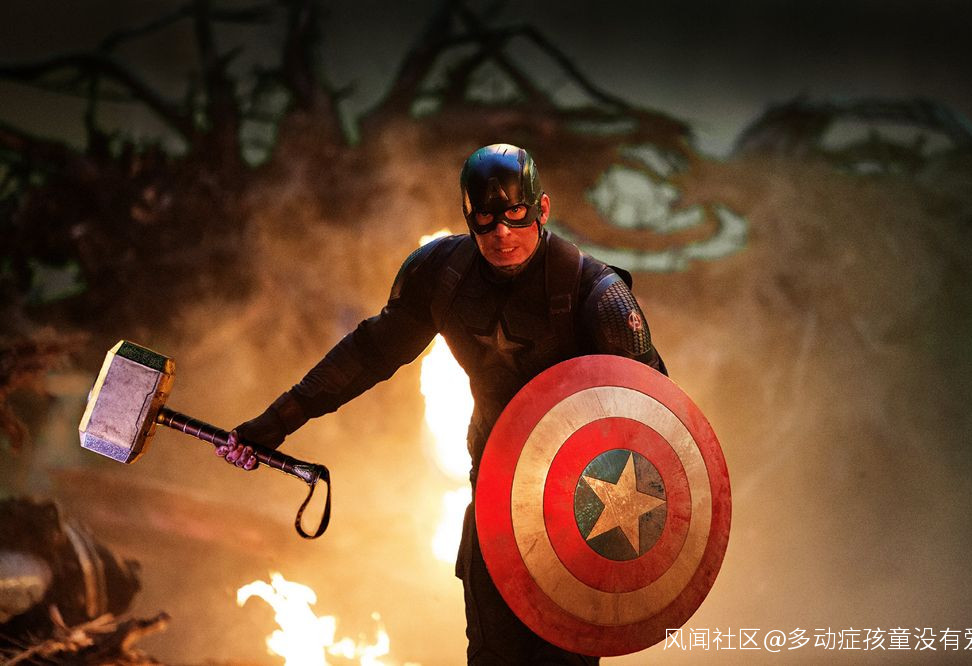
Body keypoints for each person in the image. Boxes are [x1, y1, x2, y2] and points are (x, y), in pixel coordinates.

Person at [217, 143, 667, 665]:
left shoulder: (598, 294)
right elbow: (369, 353)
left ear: (542, 209)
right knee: (492, 655)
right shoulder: (442, 274)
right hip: (495, 495)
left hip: (581, 511)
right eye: (486, 219)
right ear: (468, 217)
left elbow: (656, 421)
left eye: (515, 215)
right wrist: (278, 420)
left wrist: (628, 524)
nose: (501, 233)